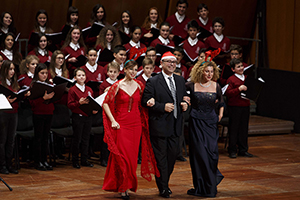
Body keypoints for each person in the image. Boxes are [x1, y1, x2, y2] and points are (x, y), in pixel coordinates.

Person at [102, 60, 159, 199]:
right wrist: (113, 121)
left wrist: (151, 101)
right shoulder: (117, 85)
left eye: (135, 70)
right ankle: (123, 187)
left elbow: (145, 101)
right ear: (125, 70)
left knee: (132, 159)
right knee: (122, 157)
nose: (133, 72)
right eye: (130, 69)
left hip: (136, 125)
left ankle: (127, 186)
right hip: (121, 124)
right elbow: (105, 104)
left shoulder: (140, 85)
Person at [142, 51, 189, 198]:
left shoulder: (180, 80)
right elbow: (146, 101)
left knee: (172, 157)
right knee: (161, 159)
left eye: (174, 62)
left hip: (176, 125)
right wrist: (162, 107)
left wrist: (185, 104)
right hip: (160, 126)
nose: (171, 64)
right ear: (161, 63)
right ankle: (163, 187)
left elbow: (184, 98)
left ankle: (165, 182)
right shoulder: (153, 81)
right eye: (168, 62)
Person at [185, 54, 224, 197]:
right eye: (207, 71)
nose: (209, 74)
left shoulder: (216, 86)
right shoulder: (190, 85)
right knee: (199, 155)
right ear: (200, 71)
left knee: (212, 155)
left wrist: (220, 114)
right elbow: (184, 97)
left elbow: (221, 101)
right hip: (196, 123)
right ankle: (202, 188)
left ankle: (210, 183)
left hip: (211, 124)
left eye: (212, 71)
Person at [0, 60, 28, 174]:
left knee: (11, 140)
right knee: (2, 140)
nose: (12, 72)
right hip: (3, 113)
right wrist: (5, 100)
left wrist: (24, 95)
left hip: (14, 112)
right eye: (9, 69)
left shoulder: (15, 82)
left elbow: (17, 96)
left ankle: (9, 163)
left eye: (13, 69)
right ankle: (2, 165)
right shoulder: (1, 82)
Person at [68, 68, 98, 169]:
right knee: (77, 139)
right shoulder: (72, 90)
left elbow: (92, 102)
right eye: (79, 75)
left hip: (88, 117)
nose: (81, 77)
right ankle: (75, 160)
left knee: (86, 139)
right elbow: (70, 105)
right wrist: (78, 103)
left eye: (83, 75)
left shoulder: (89, 89)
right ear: (75, 78)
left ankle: (84, 159)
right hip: (78, 117)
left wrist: (94, 109)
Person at [225, 58, 253, 158]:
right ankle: (232, 150)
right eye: (238, 67)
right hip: (235, 106)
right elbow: (228, 93)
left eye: (241, 66)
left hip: (245, 106)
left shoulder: (247, 78)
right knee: (234, 128)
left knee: (244, 128)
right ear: (233, 69)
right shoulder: (231, 79)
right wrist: (238, 89)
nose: (241, 68)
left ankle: (243, 149)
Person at [29, 63, 55, 171]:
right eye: (42, 73)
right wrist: (43, 98)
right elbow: (32, 103)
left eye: (46, 73)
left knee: (46, 138)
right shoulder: (34, 85)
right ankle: (37, 161)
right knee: (38, 138)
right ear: (37, 74)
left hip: (49, 113)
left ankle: (45, 160)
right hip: (38, 114)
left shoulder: (50, 84)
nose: (44, 75)